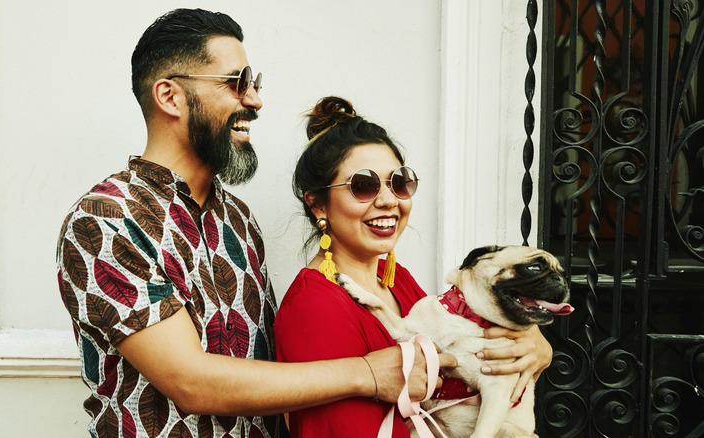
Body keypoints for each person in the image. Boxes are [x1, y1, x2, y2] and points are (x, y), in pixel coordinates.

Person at [55, 9, 449, 438]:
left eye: (254, 83)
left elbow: (270, 377)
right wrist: (369, 374)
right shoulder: (107, 219)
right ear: (170, 97)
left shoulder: (239, 220)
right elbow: (191, 383)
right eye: (237, 83)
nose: (255, 100)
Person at [274, 96, 553, 437]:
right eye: (363, 185)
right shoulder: (315, 305)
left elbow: (468, 349)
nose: (389, 200)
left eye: (399, 182)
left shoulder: (396, 280)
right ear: (317, 204)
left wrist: (533, 343)